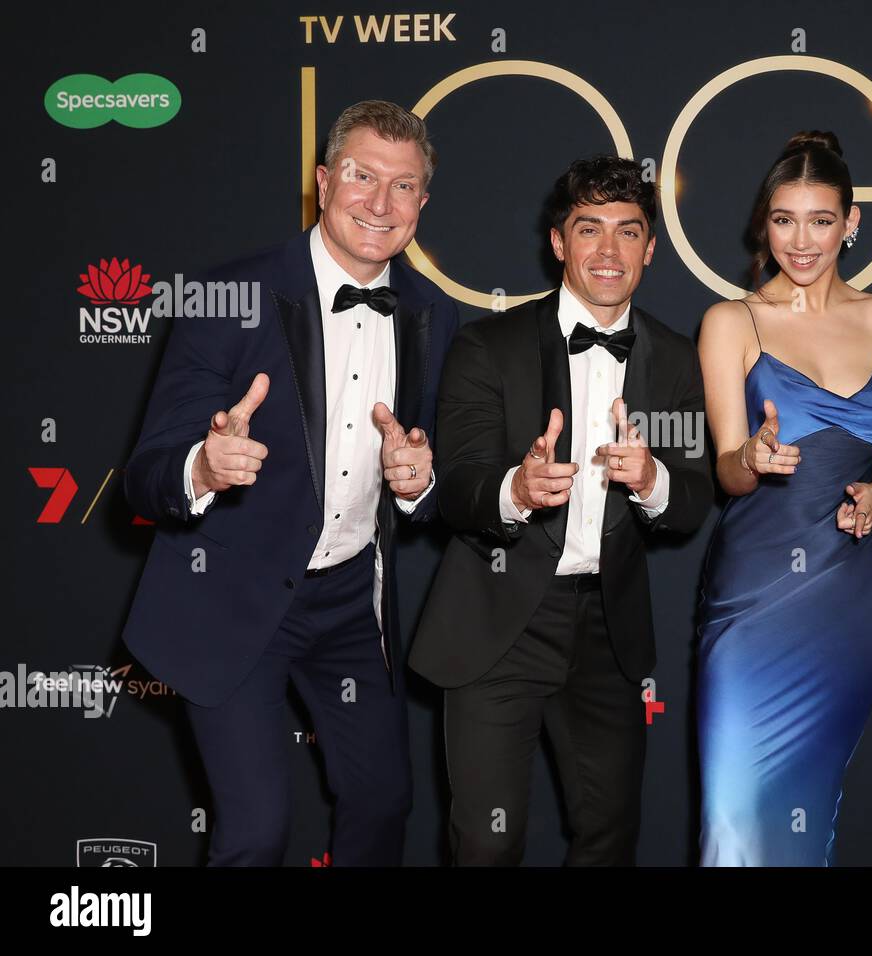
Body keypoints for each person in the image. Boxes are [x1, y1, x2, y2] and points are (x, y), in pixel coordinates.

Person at [122, 100, 460, 865]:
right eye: (362, 176)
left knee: (383, 803)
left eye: (402, 187)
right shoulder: (229, 296)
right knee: (256, 831)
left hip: (347, 601)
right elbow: (145, 478)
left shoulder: (433, 316)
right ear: (322, 180)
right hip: (236, 594)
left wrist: (415, 484)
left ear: (422, 204)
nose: (380, 204)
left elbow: (429, 477)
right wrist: (203, 467)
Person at [408, 156, 714, 865]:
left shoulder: (674, 358)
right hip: (498, 623)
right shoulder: (488, 345)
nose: (608, 252)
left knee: (609, 837)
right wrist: (514, 490)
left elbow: (693, 497)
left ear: (651, 248)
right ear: (558, 241)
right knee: (486, 844)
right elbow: (457, 488)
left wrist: (653, 481)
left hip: (609, 631)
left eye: (628, 232)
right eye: (589, 230)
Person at [695, 131, 872, 865]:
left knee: (808, 805)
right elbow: (727, 469)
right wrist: (753, 459)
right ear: (765, 222)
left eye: (821, 220)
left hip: (849, 591)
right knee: (733, 816)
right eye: (784, 219)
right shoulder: (732, 322)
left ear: (851, 224)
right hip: (753, 596)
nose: (802, 240)